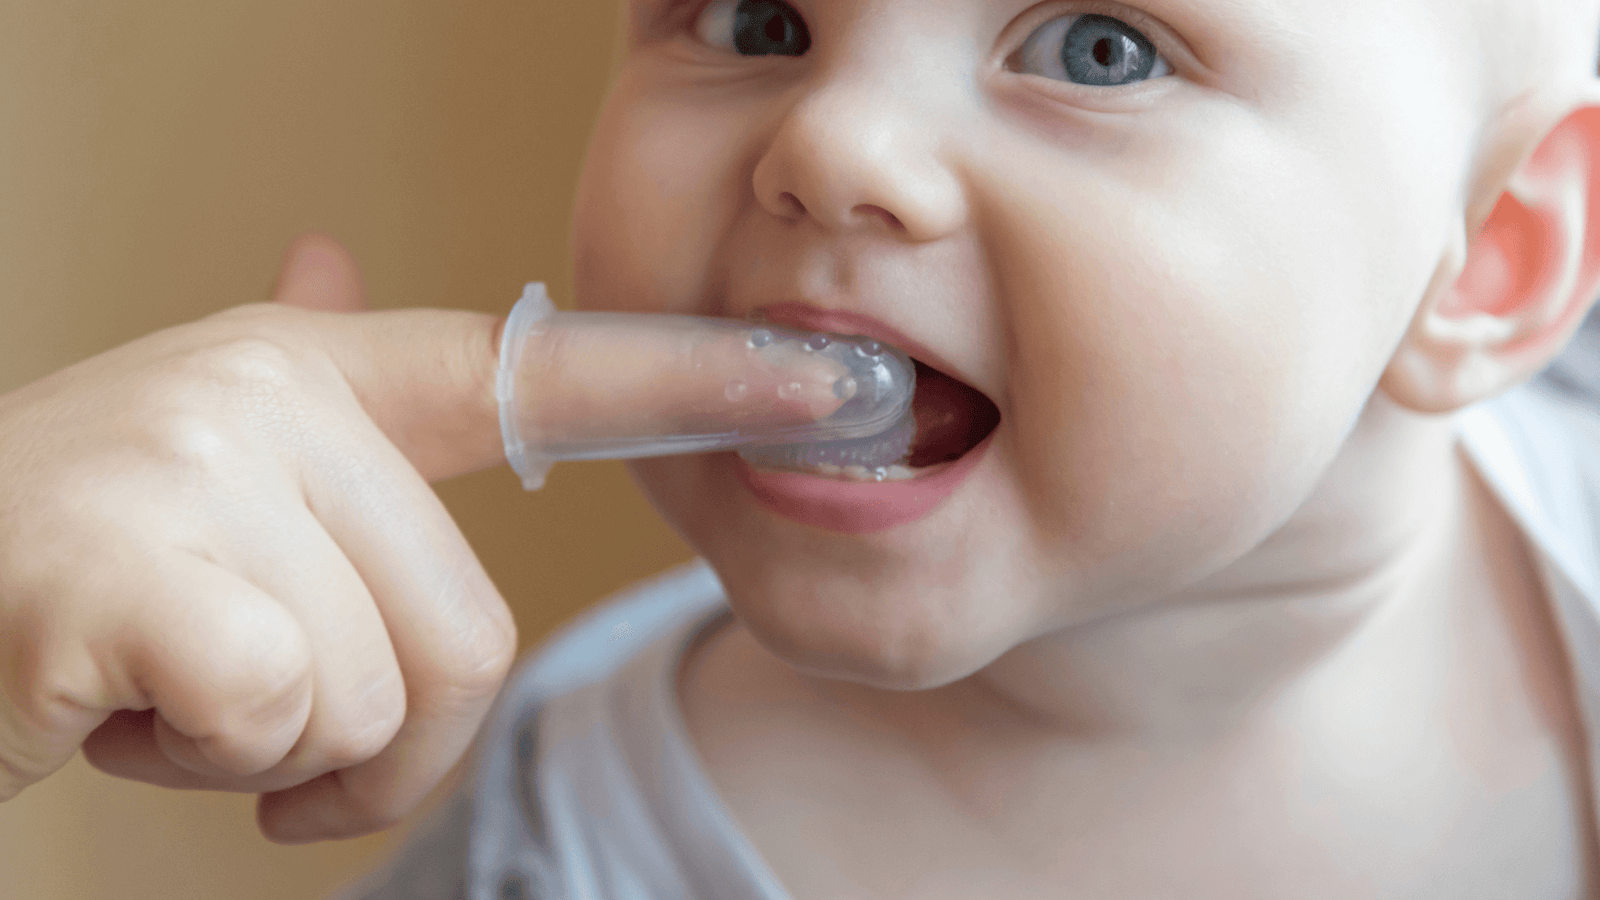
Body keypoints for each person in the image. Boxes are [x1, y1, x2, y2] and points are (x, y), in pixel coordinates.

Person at [7, 0, 1600, 896]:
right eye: (756, 18)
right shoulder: (557, 860)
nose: (830, 144)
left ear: (1494, 257)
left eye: (1097, 47)